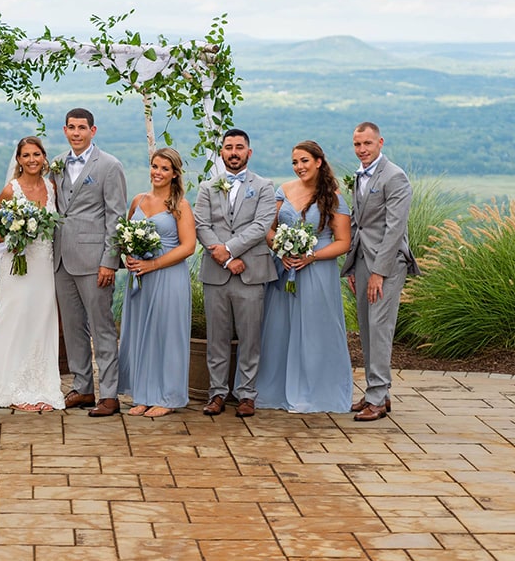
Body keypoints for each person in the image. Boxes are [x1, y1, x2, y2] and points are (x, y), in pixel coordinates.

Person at [0, 137, 65, 412]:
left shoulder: (51, 187)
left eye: (37, 154)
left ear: (44, 157)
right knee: (16, 317)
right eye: (26, 155)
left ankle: (40, 385)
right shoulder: (10, 191)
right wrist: (17, 236)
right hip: (18, 263)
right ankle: (10, 385)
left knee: (42, 319)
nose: (32, 159)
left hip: (44, 266)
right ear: (19, 160)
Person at [256, 141, 353, 413]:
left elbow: (343, 241)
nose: (299, 167)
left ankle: (317, 390)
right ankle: (276, 390)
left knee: (315, 331)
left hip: (317, 272)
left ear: (318, 162)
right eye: (295, 163)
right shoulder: (283, 190)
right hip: (284, 270)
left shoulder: (333, 198)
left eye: (304, 161)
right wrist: (281, 247)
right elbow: (268, 229)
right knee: (279, 329)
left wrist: (312, 256)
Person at [194, 129, 277, 418]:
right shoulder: (208, 187)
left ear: (248, 153)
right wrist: (227, 260)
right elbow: (201, 225)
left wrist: (228, 249)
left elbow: (262, 225)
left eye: (239, 147)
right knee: (217, 337)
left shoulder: (265, 186)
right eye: (228, 147)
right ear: (222, 152)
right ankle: (217, 393)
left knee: (250, 337)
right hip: (217, 273)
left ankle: (247, 394)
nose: (233, 152)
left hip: (251, 273)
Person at [341, 122, 420, 421]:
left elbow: (394, 229)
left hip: (386, 264)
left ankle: (377, 396)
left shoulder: (395, 177)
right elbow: (357, 223)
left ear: (380, 143)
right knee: (366, 326)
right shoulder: (360, 176)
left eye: (367, 144)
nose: (361, 150)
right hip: (362, 259)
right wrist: (352, 264)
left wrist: (379, 272)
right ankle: (378, 393)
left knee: (380, 328)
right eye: (357, 144)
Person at [53, 108, 127, 417]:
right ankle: (83, 387)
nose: (76, 133)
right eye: (71, 127)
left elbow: (116, 215)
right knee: (72, 328)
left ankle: (109, 394)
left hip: (95, 260)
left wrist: (109, 260)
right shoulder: (56, 165)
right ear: (65, 129)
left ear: (92, 131)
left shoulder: (110, 166)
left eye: (82, 128)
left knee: (102, 327)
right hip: (61, 259)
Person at [117, 148, 196, 417]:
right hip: (139, 279)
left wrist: (153, 264)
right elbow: (125, 237)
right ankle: (143, 394)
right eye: (154, 166)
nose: (157, 172)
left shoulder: (180, 205)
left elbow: (188, 247)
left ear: (174, 174)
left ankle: (168, 396)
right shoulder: (138, 200)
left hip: (168, 277)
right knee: (141, 335)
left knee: (166, 334)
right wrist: (128, 255)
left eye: (164, 168)